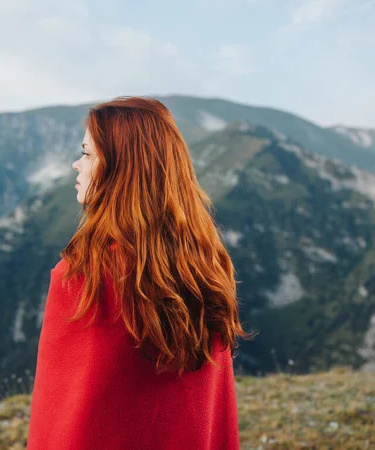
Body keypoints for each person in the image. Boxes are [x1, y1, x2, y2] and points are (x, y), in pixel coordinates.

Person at [26, 96, 255, 450]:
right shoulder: (205, 267)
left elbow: (59, 422)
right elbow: (211, 413)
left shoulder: (85, 278)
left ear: (119, 168)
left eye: (87, 154)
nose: (77, 165)